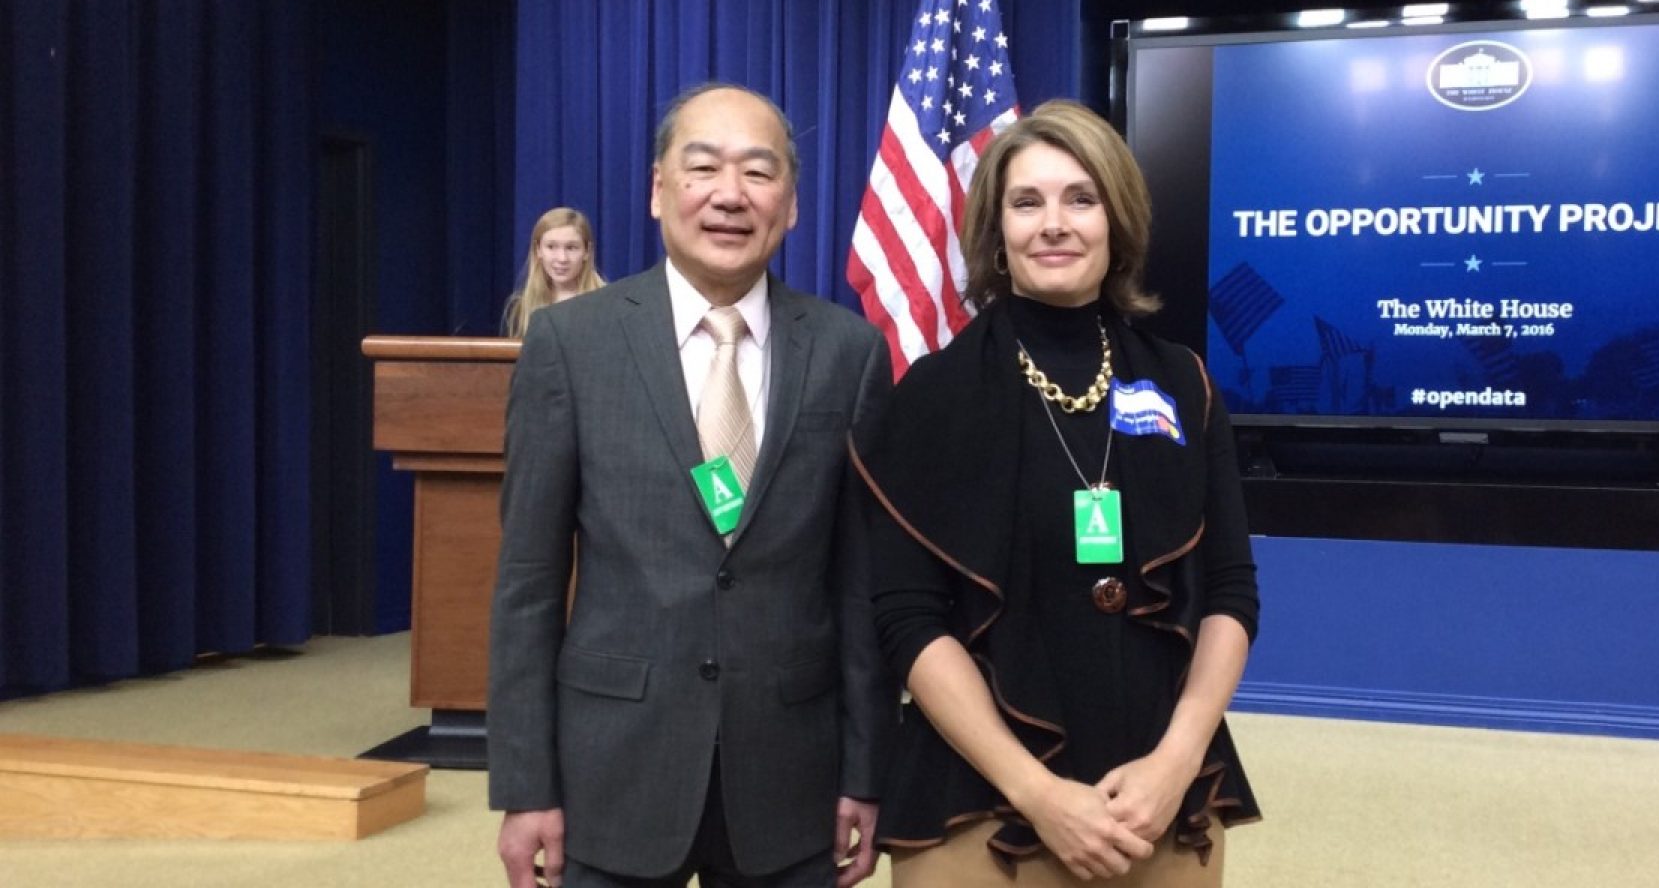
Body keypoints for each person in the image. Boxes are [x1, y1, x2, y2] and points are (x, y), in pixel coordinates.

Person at [488, 83, 893, 888]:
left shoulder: (850, 353)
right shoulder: (570, 346)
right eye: (702, 167)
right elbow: (529, 582)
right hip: (613, 769)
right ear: (657, 190)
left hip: (793, 777)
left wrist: (865, 767)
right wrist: (527, 784)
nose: (730, 196)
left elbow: (860, 587)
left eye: (758, 172)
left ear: (792, 204)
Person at [852, 100, 1262, 886]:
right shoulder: (932, 397)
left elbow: (1229, 592)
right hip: (981, 799)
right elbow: (907, 619)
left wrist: (1176, 764)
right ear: (996, 232)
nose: (1055, 224)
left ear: (1118, 220)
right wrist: (1037, 793)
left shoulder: (1183, 382)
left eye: (1081, 198)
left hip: (1161, 797)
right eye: (1027, 201)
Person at [502, 207, 609, 339]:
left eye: (571, 248)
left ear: (587, 251)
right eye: (551, 247)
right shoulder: (518, 310)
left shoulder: (607, 305)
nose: (562, 258)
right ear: (538, 250)